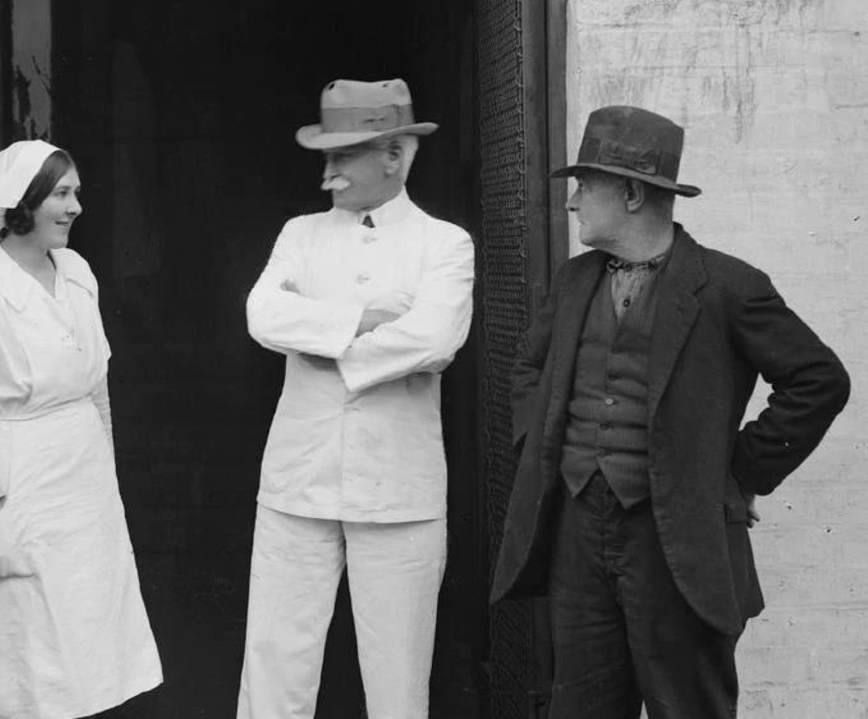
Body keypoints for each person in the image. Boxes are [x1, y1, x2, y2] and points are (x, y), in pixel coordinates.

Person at [490, 106, 852, 718]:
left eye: (587, 187)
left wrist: (737, 471)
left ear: (631, 193)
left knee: (689, 706)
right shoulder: (573, 281)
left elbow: (819, 380)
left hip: (676, 537)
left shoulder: (728, 286)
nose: (574, 203)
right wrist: (541, 452)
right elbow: (528, 367)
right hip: (578, 526)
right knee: (579, 706)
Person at [237, 79, 475, 719]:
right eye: (327, 154)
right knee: (275, 665)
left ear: (395, 155)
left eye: (344, 154)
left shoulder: (445, 244)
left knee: (398, 681)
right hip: (298, 481)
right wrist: (367, 318)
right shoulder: (300, 234)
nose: (329, 171)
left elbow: (434, 337)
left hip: (398, 491)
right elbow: (262, 314)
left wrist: (321, 344)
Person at [0, 140, 162, 719]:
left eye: (75, 192)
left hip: (82, 482)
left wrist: (104, 467)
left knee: (86, 648)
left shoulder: (77, 271)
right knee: (20, 653)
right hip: (16, 476)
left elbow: (96, 384)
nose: (76, 206)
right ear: (21, 203)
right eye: (61, 194)